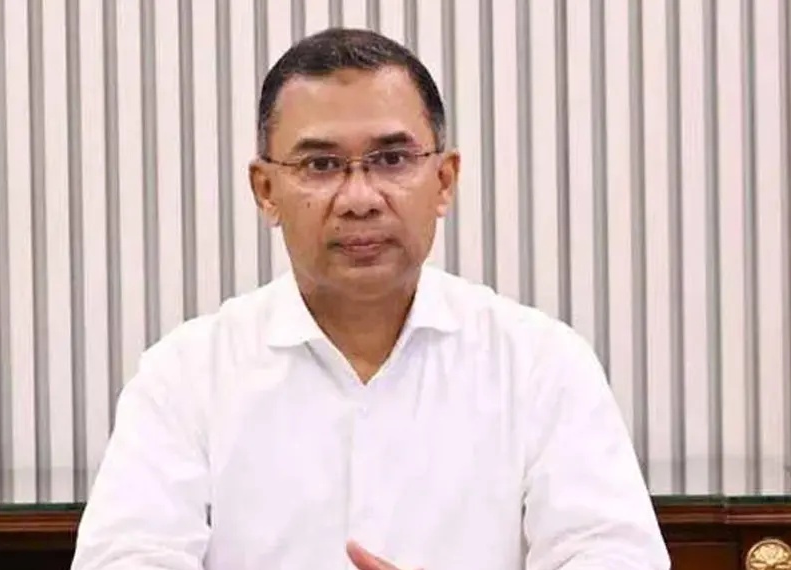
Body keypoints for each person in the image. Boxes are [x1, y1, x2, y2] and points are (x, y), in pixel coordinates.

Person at [71, 27, 669, 570]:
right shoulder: (186, 376)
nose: (360, 198)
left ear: (444, 180)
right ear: (266, 190)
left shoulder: (541, 364)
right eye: (321, 164)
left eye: (392, 160)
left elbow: (615, 556)